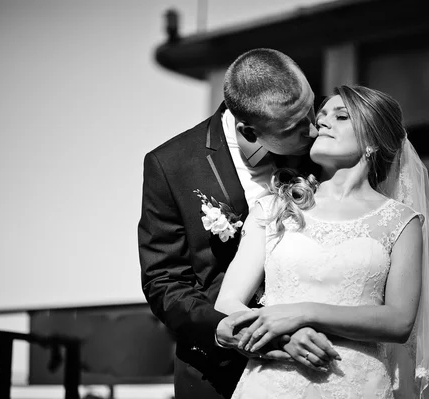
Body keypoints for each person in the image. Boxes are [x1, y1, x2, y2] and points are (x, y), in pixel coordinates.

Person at [215, 85, 429, 398]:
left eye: (340, 117)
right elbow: (227, 302)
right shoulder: (274, 207)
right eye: (322, 116)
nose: (321, 123)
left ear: (372, 141)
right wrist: (286, 337)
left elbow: (399, 321)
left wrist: (304, 312)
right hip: (272, 384)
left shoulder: (401, 221)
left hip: (358, 385)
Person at [138, 48, 338, 399]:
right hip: (219, 371)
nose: (313, 128)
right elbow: (164, 281)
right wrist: (224, 329)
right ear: (249, 130)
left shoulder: (332, 131)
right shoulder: (171, 165)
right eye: (294, 127)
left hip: (320, 358)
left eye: (310, 108)